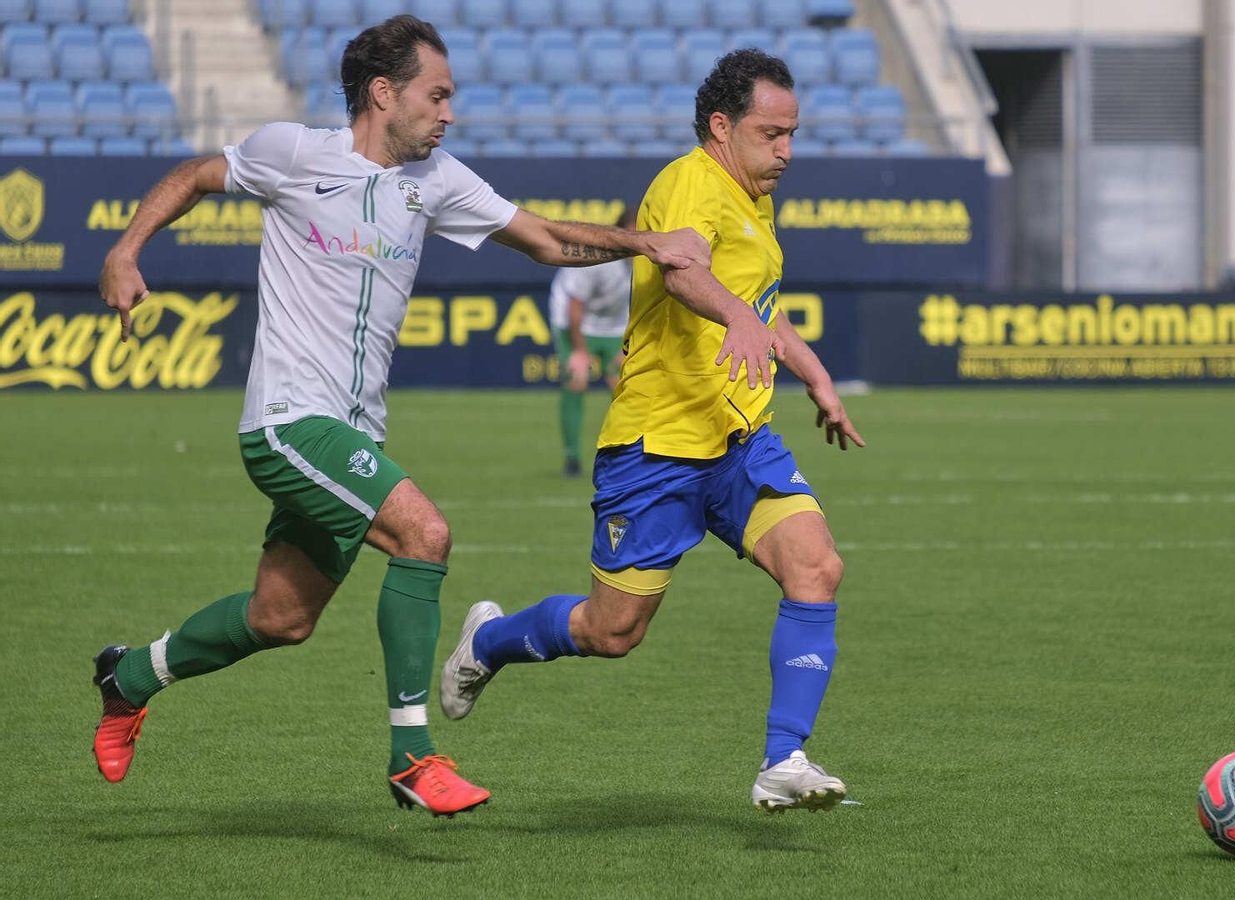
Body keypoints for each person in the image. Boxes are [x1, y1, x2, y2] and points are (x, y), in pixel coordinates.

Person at [91, 15, 709, 816]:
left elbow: (549, 241)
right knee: (426, 534)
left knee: (280, 618)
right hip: (287, 422)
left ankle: (129, 675)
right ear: (383, 94)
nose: (449, 112)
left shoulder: (438, 179)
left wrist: (645, 243)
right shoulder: (292, 153)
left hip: (351, 434)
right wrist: (125, 249)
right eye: (437, 94)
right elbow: (197, 174)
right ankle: (413, 757)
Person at [439, 49, 865, 813]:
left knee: (817, 568)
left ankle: (783, 759)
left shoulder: (752, 196)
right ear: (721, 126)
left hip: (739, 440)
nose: (787, 152)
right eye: (773, 134)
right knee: (612, 632)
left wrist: (816, 374)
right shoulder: (686, 183)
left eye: (793, 134)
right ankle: (490, 642)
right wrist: (735, 313)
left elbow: (759, 302)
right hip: (656, 446)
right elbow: (683, 273)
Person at [551, 206, 636, 477]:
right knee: (577, 380)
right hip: (574, 320)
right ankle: (572, 457)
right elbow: (575, 305)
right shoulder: (601, 260)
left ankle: (626, 455)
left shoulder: (647, 260)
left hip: (614, 325)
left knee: (626, 387)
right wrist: (580, 350)